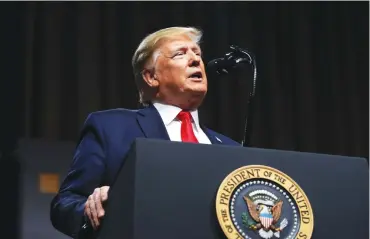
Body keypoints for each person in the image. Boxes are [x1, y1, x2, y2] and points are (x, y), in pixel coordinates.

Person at [50, 26, 240, 238]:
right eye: (180, 53)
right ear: (151, 77)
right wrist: (91, 209)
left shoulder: (231, 149)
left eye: (197, 53)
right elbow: (64, 204)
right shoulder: (111, 128)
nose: (196, 60)